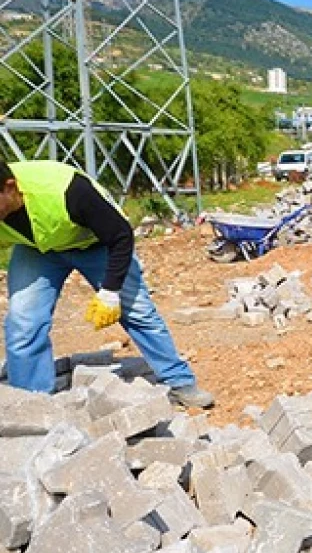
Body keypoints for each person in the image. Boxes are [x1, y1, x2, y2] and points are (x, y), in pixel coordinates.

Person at [0, 160, 214, 408]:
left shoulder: (65, 190)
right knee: (23, 322)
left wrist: (111, 291)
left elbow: (121, 236)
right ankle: (32, 404)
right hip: (37, 250)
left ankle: (180, 383)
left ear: (10, 186)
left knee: (138, 311)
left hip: (98, 245)